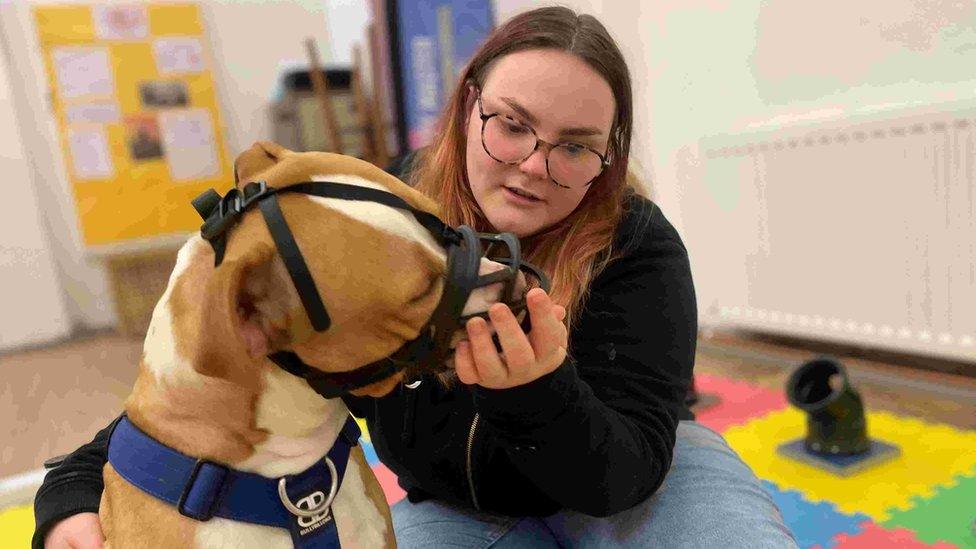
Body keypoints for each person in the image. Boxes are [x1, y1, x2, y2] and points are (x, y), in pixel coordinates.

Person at [34, 7, 797, 548]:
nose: (535, 164)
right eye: (513, 123)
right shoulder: (378, 225)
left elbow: (624, 475)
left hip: (634, 485)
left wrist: (535, 391)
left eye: (575, 146)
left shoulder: (638, 246)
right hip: (458, 507)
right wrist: (73, 488)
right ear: (469, 107)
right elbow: (207, 388)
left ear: (610, 157)